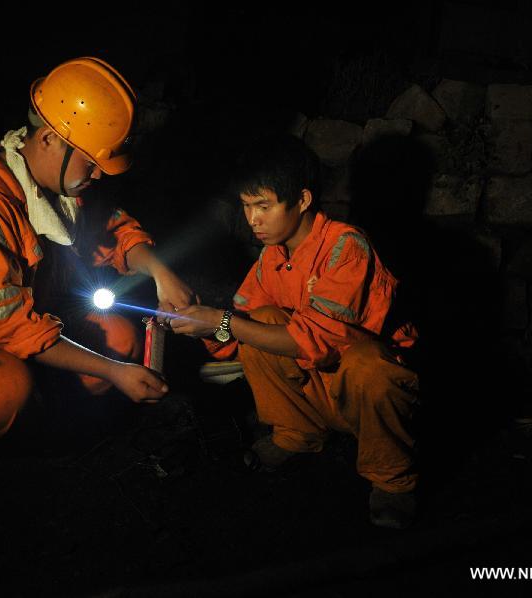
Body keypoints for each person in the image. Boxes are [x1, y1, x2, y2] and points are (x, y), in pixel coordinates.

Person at [0, 57, 194, 461]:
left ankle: (51, 421)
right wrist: (112, 372)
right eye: (92, 162)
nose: (98, 175)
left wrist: (162, 273)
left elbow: (115, 230)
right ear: (49, 139)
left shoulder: (62, 185)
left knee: (121, 339)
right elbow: (0, 326)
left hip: (36, 316)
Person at [169, 134, 420, 529]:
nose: (253, 220)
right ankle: (297, 432)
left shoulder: (345, 246)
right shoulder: (274, 257)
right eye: (247, 206)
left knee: (368, 364)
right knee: (262, 321)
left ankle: (392, 480)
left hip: (368, 396)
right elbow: (238, 331)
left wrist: (223, 321)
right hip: (321, 388)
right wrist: (200, 324)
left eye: (263, 206)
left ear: (302, 200)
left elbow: (314, 339)